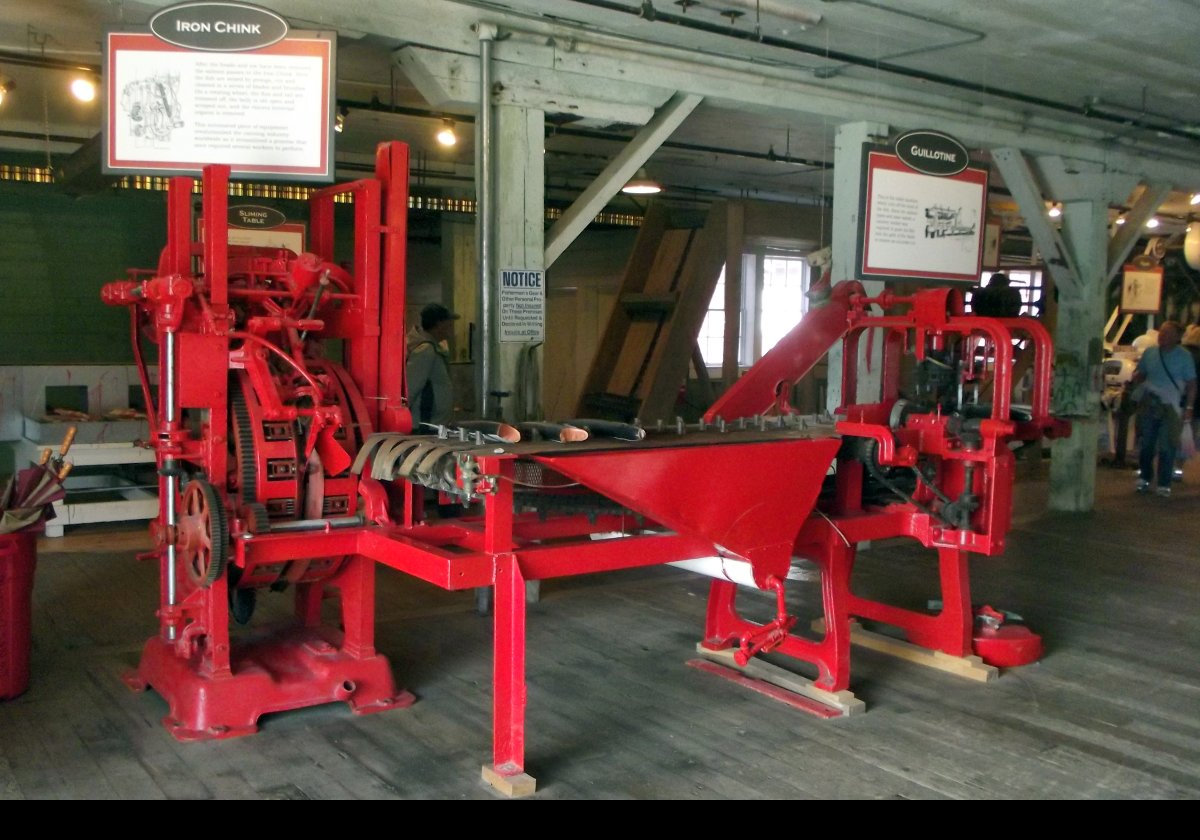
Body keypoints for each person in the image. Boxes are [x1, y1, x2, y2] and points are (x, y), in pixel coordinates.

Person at [1130, 321, 1197, 496]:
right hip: (1150, 403)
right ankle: (1145, 477)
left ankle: (1164, 483)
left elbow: (1191, 384)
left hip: (1171, 406)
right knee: (1147, 444)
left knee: (1168, 445)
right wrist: (1136, 377)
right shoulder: (1150, 353)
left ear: (1177, 337)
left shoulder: (1184, 357)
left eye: (1167, 333)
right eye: (1162, 332)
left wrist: (1189, 407)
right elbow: (1141, 372)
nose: (1162, 336)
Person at [406, 302, 460, 428]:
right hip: (425, 426)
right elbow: (411, 388)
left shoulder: (435, 348)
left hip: (434, 424)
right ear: (439, 324)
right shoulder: (426, 350)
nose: (452, 327)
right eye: (449, 323)